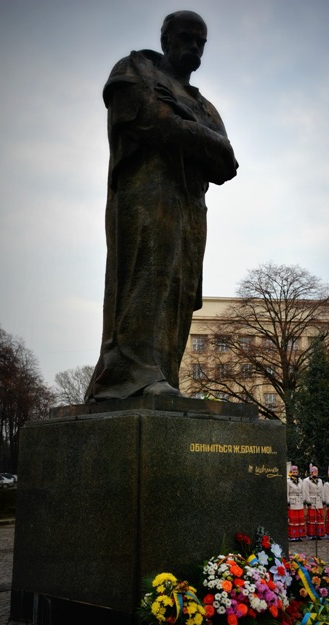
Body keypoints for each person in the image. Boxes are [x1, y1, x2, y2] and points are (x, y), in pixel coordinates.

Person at [85, 11, 238, 401]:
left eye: (201, 42)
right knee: (146, 276)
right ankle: (131, 374)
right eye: (187, 37)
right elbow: (154, 122)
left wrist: (183, 116)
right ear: (167, 38)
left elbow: (227, 163)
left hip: (191, 206)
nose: (194, 47)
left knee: (180, 290)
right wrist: (193, 132)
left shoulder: (202, 104)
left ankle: (163, 375)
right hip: (145, 194)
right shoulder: (135, 70)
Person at [302, 464, 325, 540]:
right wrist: (308, 501)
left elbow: (322, 491)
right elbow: (306, 491)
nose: (316, 472)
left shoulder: (320, 481)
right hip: (312, 501)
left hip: (319, 501)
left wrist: (323, 501)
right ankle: (312, 534)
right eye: (314, 471)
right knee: (312, 519)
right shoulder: (306, 481)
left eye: (317, 471)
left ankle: (319, 534)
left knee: (319, 518)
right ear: (311, 472)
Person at [287, 463, 306, 542]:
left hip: (299, 501)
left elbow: (303, 491)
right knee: (293, 520)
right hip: (293, 501)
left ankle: (299, 535)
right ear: (291, 472)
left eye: (296, 472)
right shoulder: (288, 481)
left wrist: (304, 500)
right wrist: (287, 502)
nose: (295, 473)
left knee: (300, 520)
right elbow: (287, 492)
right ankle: (293, 536)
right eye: (293, 472)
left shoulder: (300, 481)